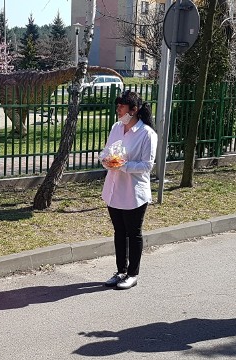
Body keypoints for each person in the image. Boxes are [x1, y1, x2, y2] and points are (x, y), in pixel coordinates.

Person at [100, 90, 158, 290]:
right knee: (119, 232)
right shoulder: (116, 127)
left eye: (122, 107)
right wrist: (106, 160)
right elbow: (107, 150)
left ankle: (133, 273)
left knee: (133, 233)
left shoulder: (147, 134)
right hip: (114, 188)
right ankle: (120, 271)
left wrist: (122, 165)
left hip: (133, 192)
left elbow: (147, 165)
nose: (118, 110)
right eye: (117, 106)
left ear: (133, 110)